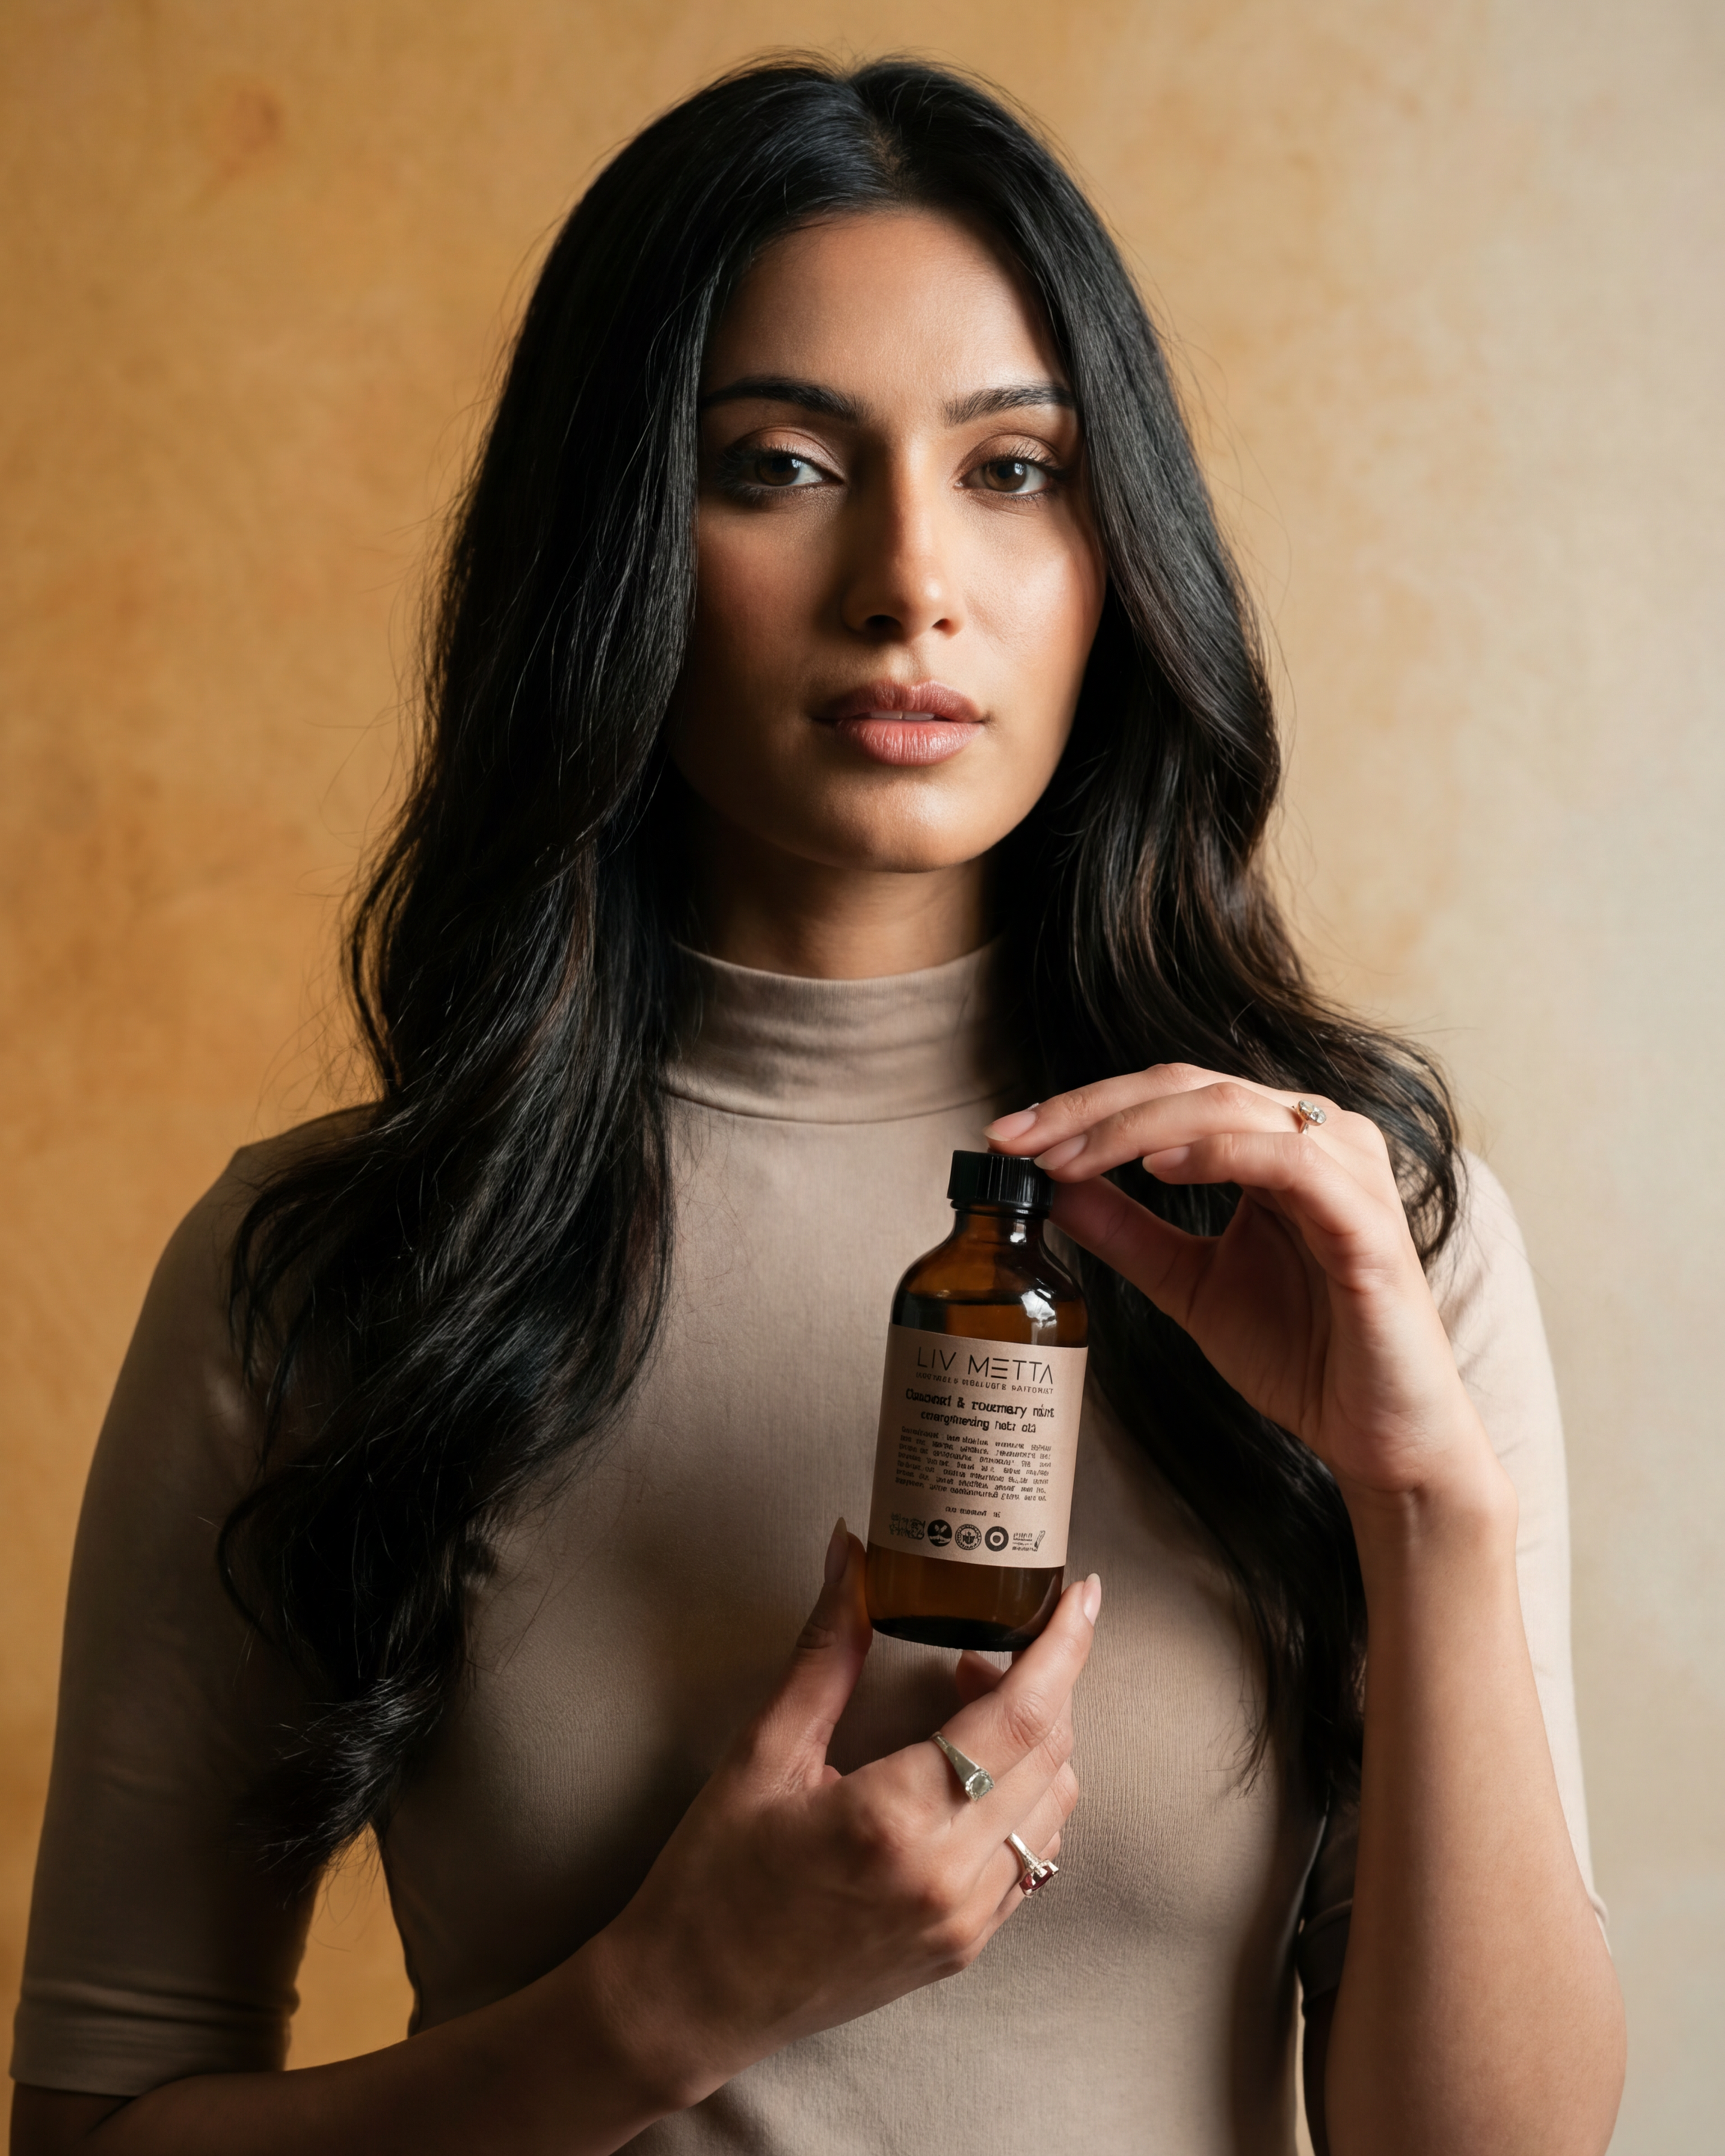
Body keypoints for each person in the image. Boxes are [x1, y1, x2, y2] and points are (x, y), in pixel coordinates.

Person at [10, 56, 1624, 2156]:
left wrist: (1427, 1509)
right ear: (618, 542)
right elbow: (91, 2133)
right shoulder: (327, 1272)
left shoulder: (1352, 1236)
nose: (909, 579)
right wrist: (651, 2012)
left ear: (1118, 553)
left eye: (1016, 469)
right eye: (775, 465)